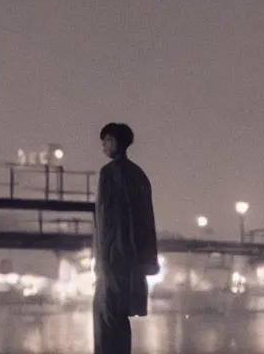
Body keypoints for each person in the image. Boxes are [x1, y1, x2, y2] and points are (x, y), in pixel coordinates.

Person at [93, 122, 157, 354]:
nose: (103, 145)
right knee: (121, 318)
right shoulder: (139, 175)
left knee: (105, 317)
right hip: (132, 260)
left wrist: (101, 260)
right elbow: (147, 221)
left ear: (118, 143)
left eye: (107, 140)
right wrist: (147, 261)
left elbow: (105, 220)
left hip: (112, 257)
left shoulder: (108, 174)